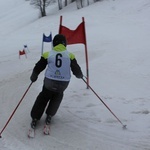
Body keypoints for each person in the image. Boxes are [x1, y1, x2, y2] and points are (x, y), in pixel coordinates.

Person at [30, 34, 83, 129]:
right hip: (63, 83)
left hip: (49, 82)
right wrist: (80, 75)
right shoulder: (70, 55)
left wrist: (34, 77)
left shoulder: (48, 54)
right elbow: (76, 69)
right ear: (65, 44)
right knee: (57, 96)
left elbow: (38, 67)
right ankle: (50, 115)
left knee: (43, 97)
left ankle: (35, 117)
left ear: (54, 43)